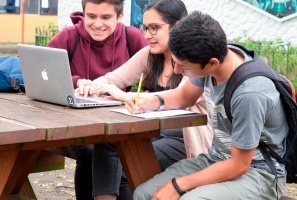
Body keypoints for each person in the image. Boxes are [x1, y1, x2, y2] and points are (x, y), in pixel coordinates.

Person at [128, 11, 288, 200]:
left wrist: (179, 185)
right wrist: (153, 102)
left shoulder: (249, 93)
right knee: (143, 194)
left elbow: (239, 165)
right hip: (216, 159)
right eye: (175, 62)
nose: (177, 71)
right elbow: (185, 96)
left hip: (259, 174)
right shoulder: (213, 52)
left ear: (212, 63)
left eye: (184, 66)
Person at [79, 1, 213, 199]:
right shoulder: (150, 56)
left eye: (155, 28)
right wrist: (91, 86)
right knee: (105, 143)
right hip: (150, 131)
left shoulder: (193, 59)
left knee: (125, 164)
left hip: (182, 140)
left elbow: (178, 98)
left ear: (177, 27)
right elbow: (113, 78)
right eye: (145, 28)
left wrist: (123, 95)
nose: (147, 35)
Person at [45, 0, 147, 199]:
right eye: (91, 16)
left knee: (119, 152)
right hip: (71, 123)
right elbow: (41, 70)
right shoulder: (69, 36)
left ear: (120, 16)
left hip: (118, 124)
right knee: (91, 151)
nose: (97, 24)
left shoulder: (131, 37)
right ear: (84, 14)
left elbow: (153, 71)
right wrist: (76, 82)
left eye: (106, 17)